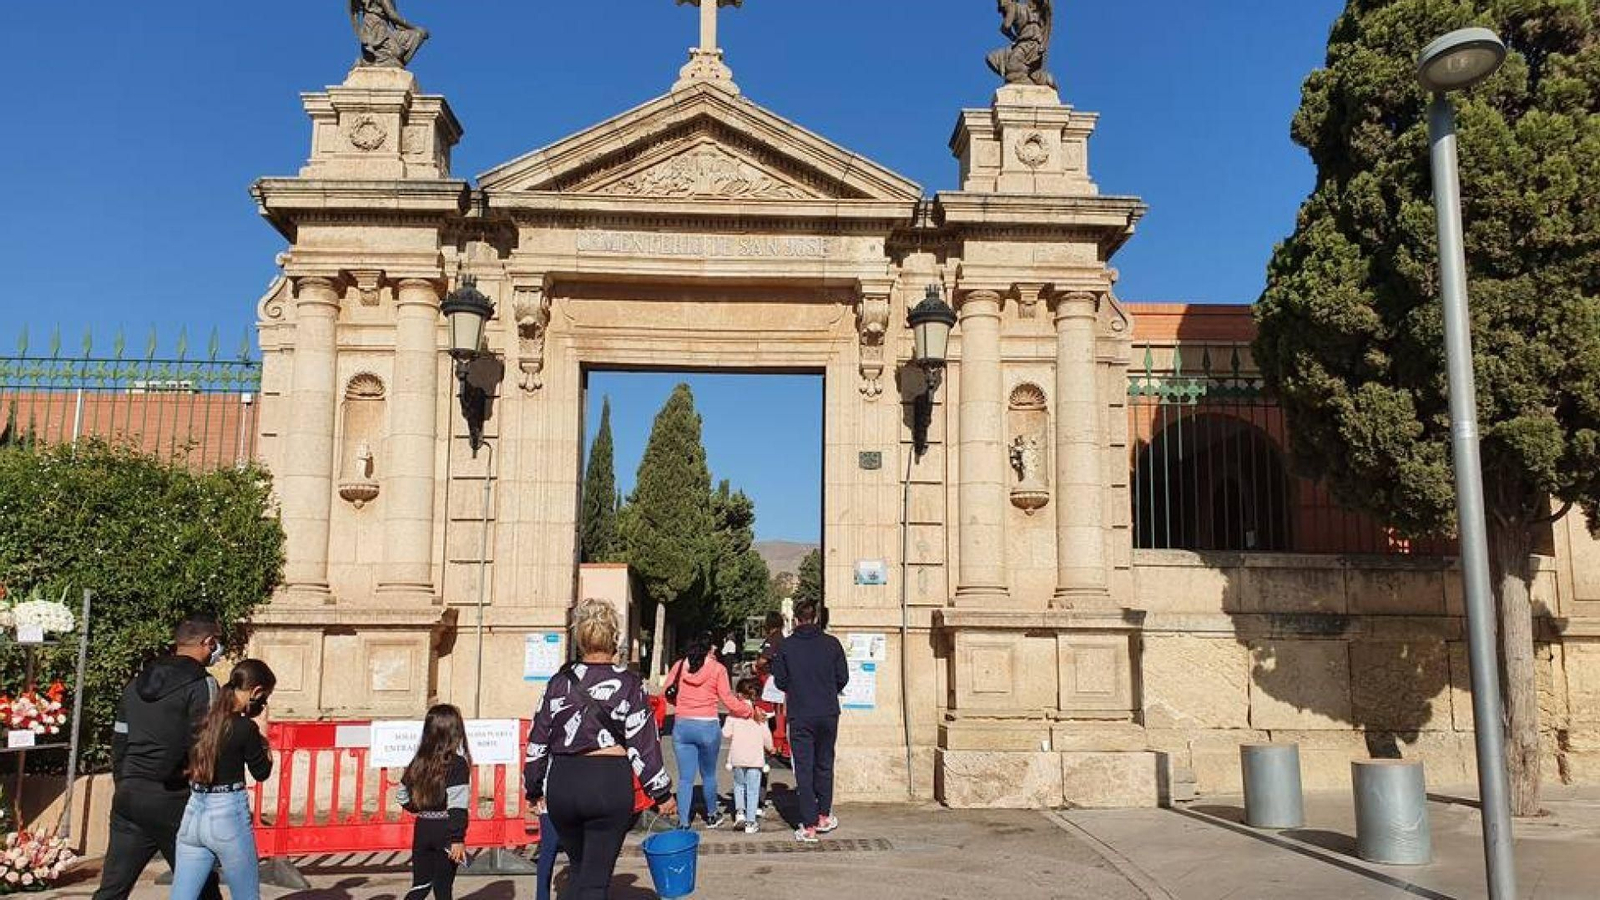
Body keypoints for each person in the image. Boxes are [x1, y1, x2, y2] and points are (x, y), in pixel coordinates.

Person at [525, 599, 676, 899]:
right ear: (615, 638)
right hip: (607, 783)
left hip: (564, 782)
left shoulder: (559, 683)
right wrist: (661, 793)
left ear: (579, 638)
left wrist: (533, 788)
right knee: (595, 880)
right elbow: (643, 744)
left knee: (579, 867)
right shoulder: (630, 684)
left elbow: (538, 740)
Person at [93, 615, 225, 900]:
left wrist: (125, 781)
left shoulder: (136, 683)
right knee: (202, 885)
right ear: (208, 642)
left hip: (130, 794)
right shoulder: (203, 684)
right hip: (174, 797)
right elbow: (207, 744)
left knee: (112, 889)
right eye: (216, 644)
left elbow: (120, 738)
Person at [169, 659, 276, 900]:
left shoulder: (201, 722)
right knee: (246, 896)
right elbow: (261, 772)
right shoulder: (245, 728)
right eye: (265, 697)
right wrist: (263, 733)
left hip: (193, 812)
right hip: (228, 815)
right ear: (256, 691)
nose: (264, 704)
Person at [771, 598, 848, 844]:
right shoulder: (832, 644)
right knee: (825, 763)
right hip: (827, 711)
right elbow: (843, 677)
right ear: (815, 618)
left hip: (800, 713)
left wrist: (798, 688)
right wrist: (827, 689)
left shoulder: (787, 646)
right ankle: (824, 814)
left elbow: (780, 680)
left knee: (803, 768)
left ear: (796, 619)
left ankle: (809, 825)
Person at [663, 633, 754, 828]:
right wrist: (748, 711)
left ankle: (684, 821)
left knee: (685, 778)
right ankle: (712, 815)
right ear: (709, 648)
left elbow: (667, 691)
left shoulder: (679, 666)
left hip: (682, 725)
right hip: (708, 726)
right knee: (709, 775)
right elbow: (727, 699)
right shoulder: (718, 669)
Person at [399, 705, 472, 900]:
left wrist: (418, 808)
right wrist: (457, 838)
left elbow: (402, 795)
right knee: (443, 888)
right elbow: (457, 804)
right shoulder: (457, 764)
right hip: (445, 829)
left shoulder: (418, 761)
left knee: (420, 885)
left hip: (423, 827)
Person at [723, 679, 773, 834]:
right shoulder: (760, 714)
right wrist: (770, 748)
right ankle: (751, 823)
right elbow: (766, 736)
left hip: (737, 757)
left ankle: (740, 813)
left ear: (738, 695)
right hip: (755, 758)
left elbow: (726, 733)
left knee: (739, 785)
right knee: (753, 790)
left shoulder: (733, 714)